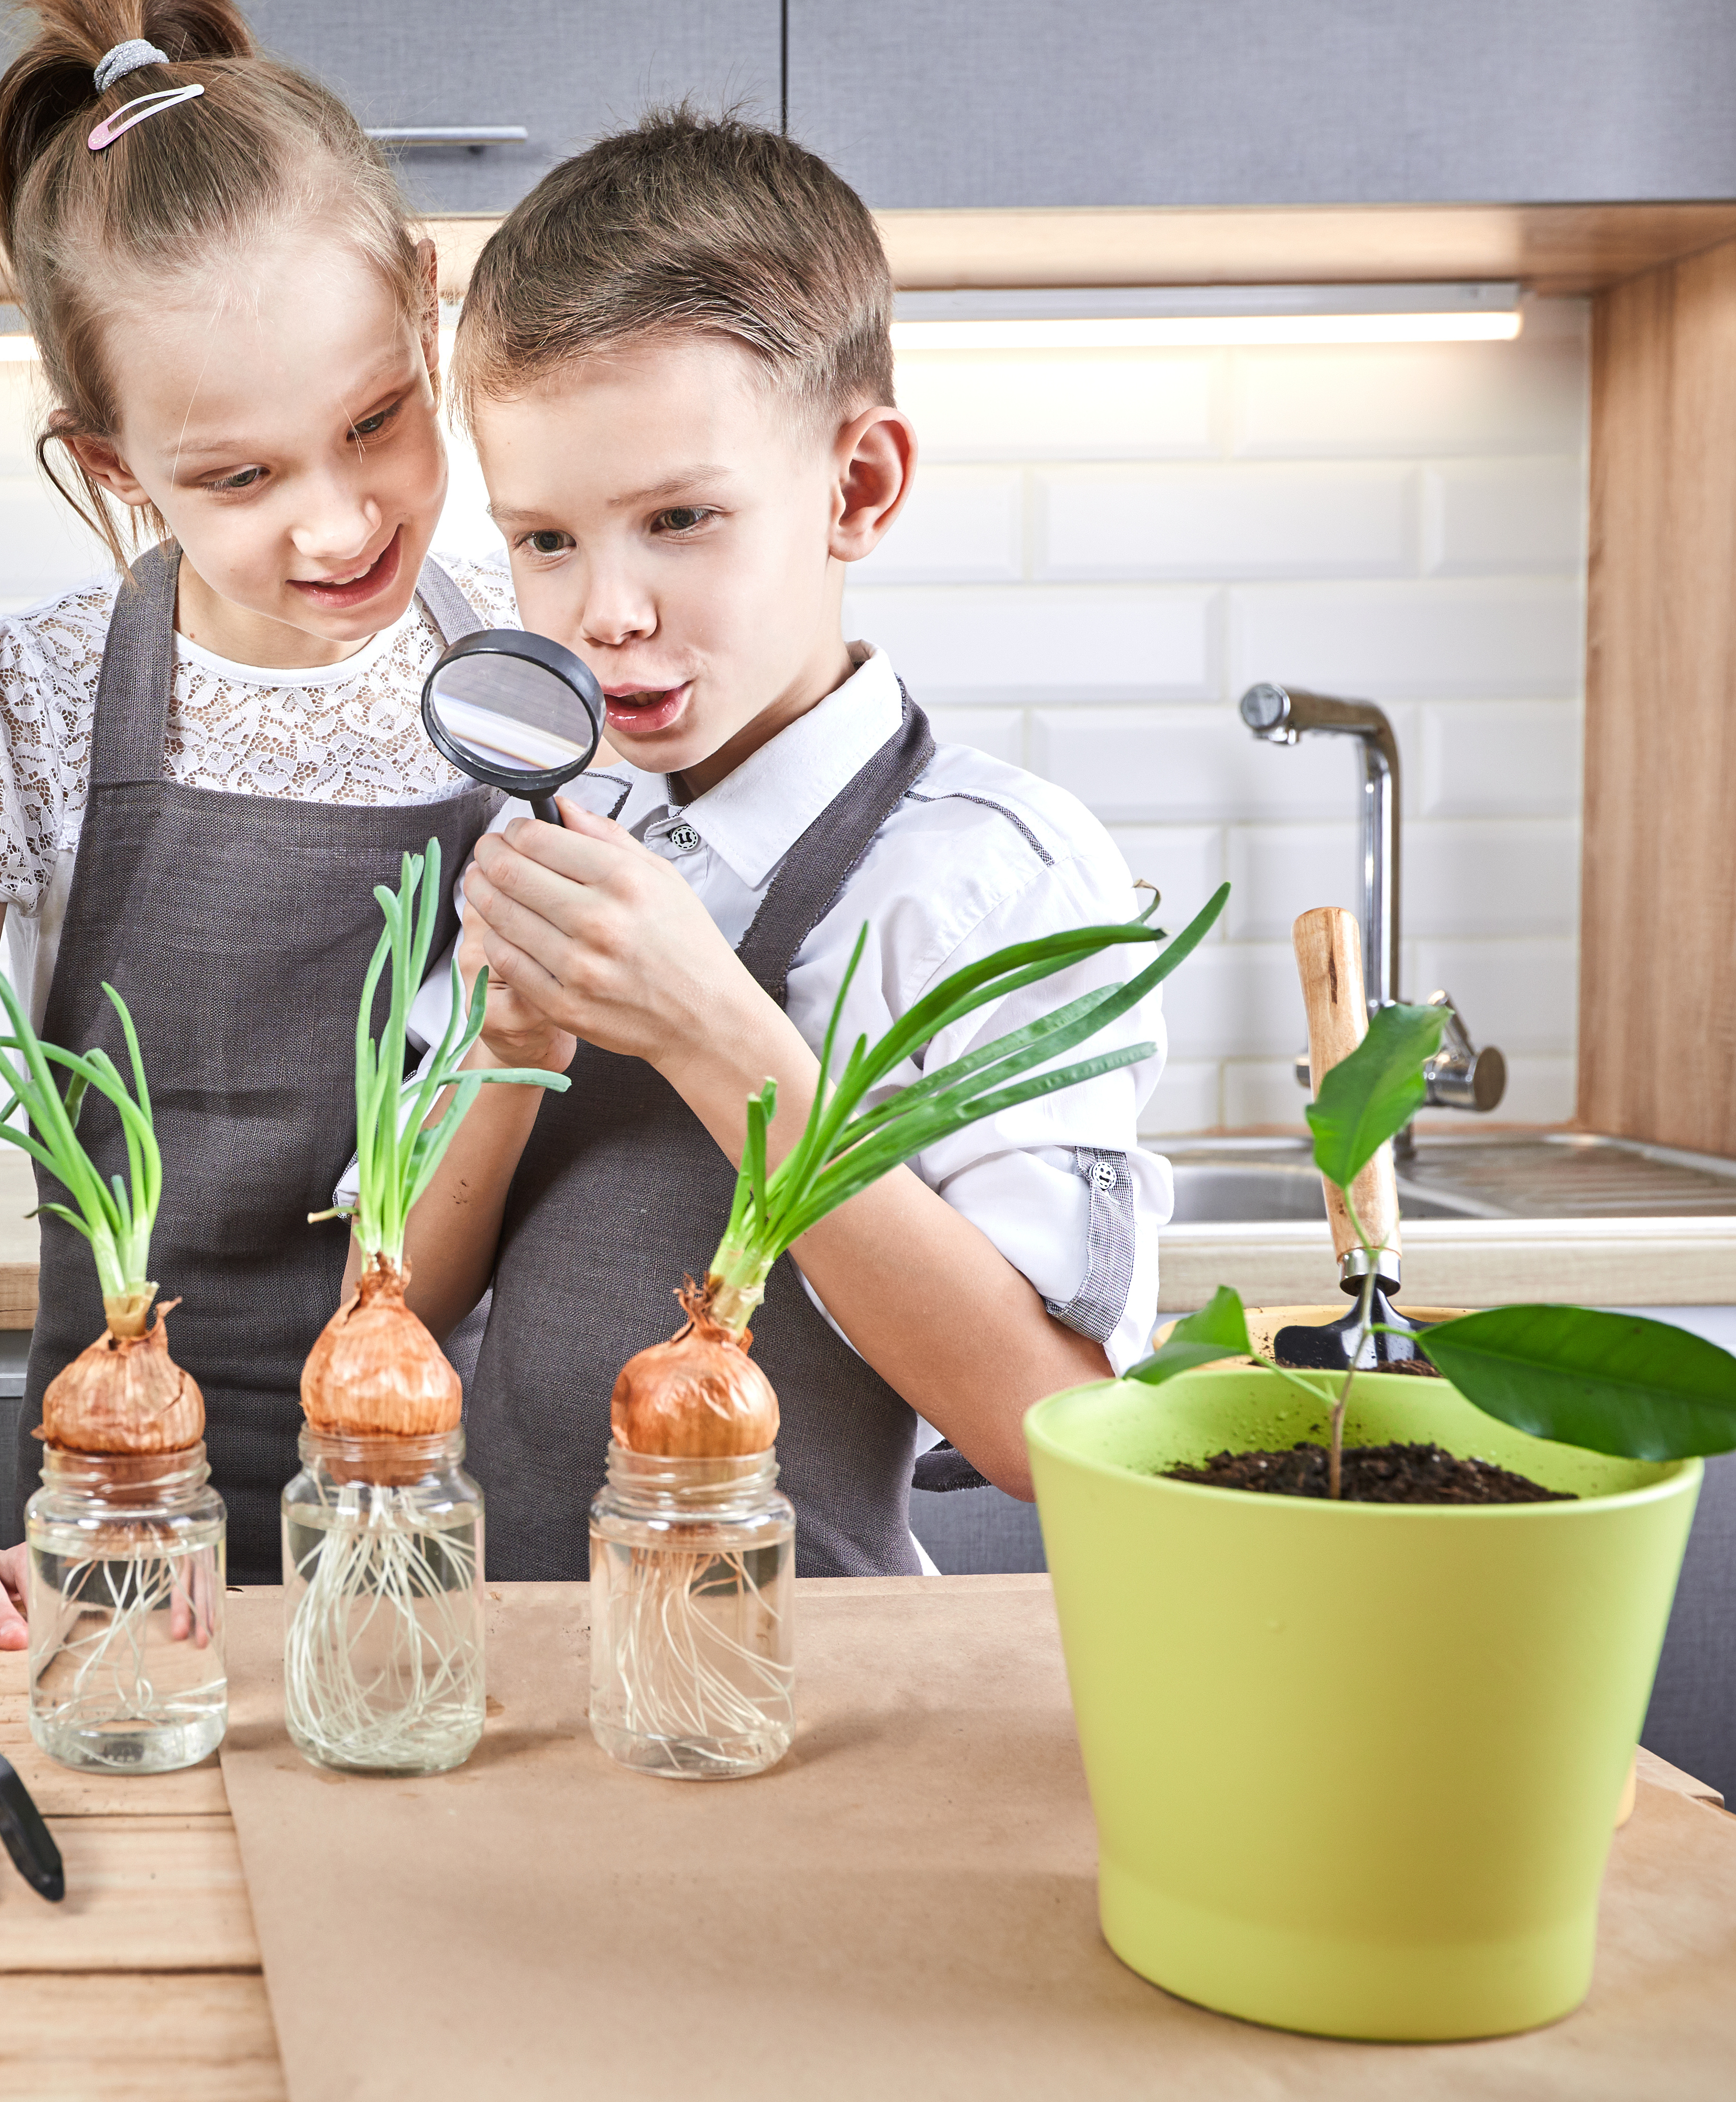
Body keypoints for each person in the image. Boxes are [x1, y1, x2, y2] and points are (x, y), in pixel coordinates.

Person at [0, 0, 520, 1644]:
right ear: (115, 464)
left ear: (425, 305)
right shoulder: (29, 700)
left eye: (374, 423)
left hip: (450, 1548)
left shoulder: (532, 696)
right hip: (117, 1549)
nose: (339, 523)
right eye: (242, 480)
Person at [400, 107, 1178, 1578]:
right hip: (508, 1673)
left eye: (681, 518)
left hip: (798, 1689)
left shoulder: (991, 876)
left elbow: (1050, 1431)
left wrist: (713, 1032)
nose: (603, 612)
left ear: (859, 487)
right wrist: (512, 1051)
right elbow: (407, 1299)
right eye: (547, 540)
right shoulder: (569, 825)